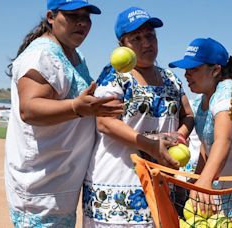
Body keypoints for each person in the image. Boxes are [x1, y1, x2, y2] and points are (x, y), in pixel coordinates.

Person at [4, 0, 124, 227]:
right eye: (72, 15)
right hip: (41, 187)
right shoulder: (41, 55)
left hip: (59, 185)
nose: (82, 23)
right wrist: (76, 108)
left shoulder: (75, 55)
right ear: (51, 17)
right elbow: (29, 109)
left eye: (86, 16)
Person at [82, 6, 194, 227]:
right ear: (123, 44)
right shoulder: (115, 75)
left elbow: (188, 115)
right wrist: (151, 145)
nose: (147, 43)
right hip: (117, 186)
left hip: (159, 186)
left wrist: (179, 135)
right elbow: (104, 122)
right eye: (137, 38)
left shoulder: (170, 78)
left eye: (150, 35)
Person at [169, 38, 232, 225]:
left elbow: (224, 140)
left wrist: (204, 182)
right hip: (224, 192)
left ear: (215, 70)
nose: (187, 74)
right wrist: (194, 185)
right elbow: (207, 149)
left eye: (194, 69)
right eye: (186, 69)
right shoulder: (199, 102)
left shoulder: (226, 91)